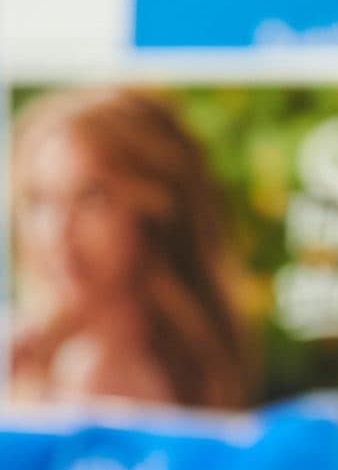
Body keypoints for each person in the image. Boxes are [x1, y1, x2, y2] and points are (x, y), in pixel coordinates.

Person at [9, 86, 256, 411]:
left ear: (155, 213)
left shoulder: (94, 372)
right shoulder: (182, 362)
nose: (57, 232)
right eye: (40, 201)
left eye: (91, 197)